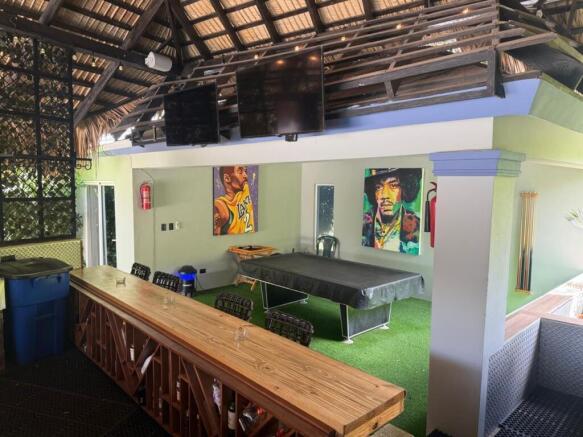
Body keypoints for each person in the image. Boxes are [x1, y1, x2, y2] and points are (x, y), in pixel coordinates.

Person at [362, 168, 422, 254]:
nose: (385, 195)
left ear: (404, 189)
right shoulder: (363, 223)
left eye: (393, 186)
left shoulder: (416, 226)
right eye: (378, 187)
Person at [213, 166, 255, 235]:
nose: (246, 176)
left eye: (245, 171)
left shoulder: (245, 189)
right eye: (240, 172)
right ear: (227, 178)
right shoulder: (220, 206)